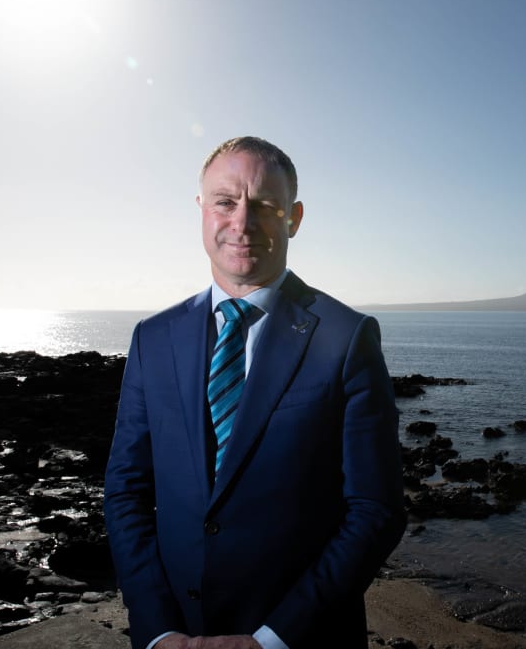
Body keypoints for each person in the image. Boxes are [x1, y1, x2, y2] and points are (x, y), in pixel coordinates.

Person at [104, 136, 406, 649]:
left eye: (265, 205)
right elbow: (126, 490)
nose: (242, 223)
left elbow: (376, 509)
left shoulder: (347, 337)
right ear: (202, 209)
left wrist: (271, 639)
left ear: (294, 217)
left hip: (299, 638)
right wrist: (156, 631)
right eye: (226, 201)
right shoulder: (152, 338)